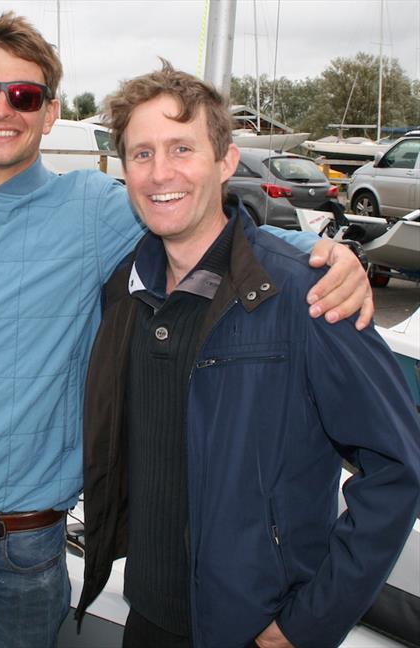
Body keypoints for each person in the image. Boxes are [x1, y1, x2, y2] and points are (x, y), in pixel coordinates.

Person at [0, 13, 373, 648]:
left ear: (49, 112)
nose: (1, 109)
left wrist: (330, 256)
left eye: (25, 95)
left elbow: (210, 228)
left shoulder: (93, 208)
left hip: (23, 548)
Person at [76, 62, 420, 648]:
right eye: (142, 154)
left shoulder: (306, 297)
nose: (161, 173)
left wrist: (304, 626)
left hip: (256, 631)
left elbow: (399, 468)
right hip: (148, 618)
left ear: (226, 160)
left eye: (182, 148)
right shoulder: (124, 291)